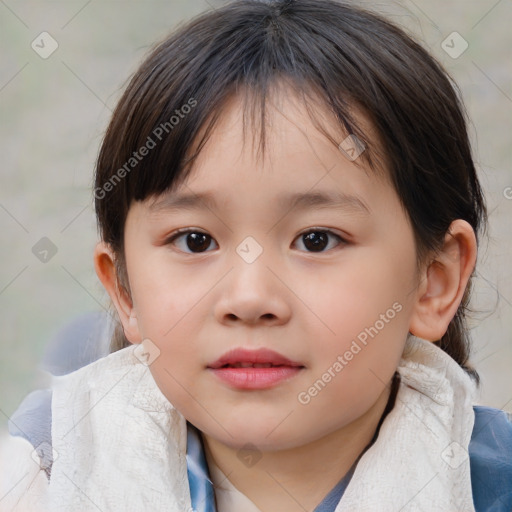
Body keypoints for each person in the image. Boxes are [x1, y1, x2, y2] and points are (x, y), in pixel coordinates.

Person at [1, 0, 511, 510]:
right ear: (124, 290)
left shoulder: (490, 485)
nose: (249, 298)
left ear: (434, 280)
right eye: (194, 240)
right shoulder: (47, 470)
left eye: (317, 239)